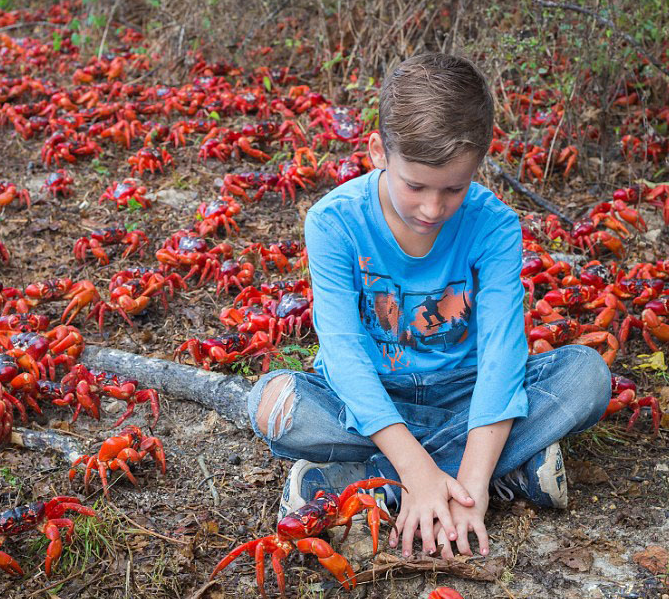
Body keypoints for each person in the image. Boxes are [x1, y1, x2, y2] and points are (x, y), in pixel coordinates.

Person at [247, 52, 612, 561]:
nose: (432, 208)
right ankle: (489, 471)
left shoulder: (495, 226)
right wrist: (421, 468)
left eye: (454, 188)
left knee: (587, 375)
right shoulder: (333, 223)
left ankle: (377, 484)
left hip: (466, 395)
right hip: (367, 399)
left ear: (478, 166)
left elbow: (503, 356)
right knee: (272, 402)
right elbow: (345, 355)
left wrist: (473, 485)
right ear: (378, 151)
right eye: (415, 185)